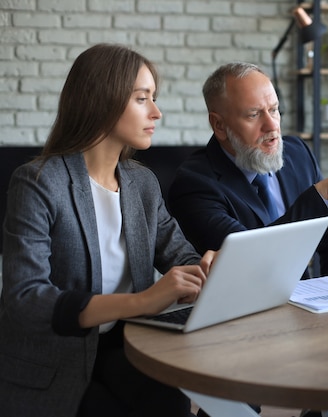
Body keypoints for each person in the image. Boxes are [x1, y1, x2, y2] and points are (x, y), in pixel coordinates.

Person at [0, 44, 215, 417]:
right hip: (58, 362)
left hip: (130, 346)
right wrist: (143, 301)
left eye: (154, 98)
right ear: (103, 100)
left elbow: (179, 254)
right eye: (142, 99)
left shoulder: (142, 183)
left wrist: (208, 268)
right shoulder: (38, 182)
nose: (156, 112)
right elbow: (25, 298)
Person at [168, 62, 328, 280]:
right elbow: (253, 259)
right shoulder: (193, 184)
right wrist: (321, 194)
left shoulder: (297, 152)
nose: (272, 125)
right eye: (254, 114)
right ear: (219, 125)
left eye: (274, 109)